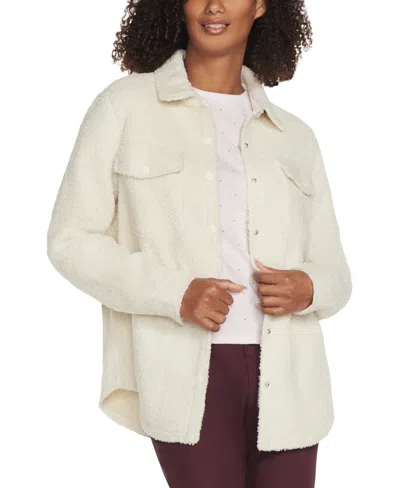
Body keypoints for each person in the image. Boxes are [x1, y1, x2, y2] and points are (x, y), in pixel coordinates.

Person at [47, 1, 352, 487]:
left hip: (291, 377)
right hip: (185, 369)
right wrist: (176, 292)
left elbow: (336, 273)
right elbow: (70, 240)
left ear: (261, 6)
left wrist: (309, 287)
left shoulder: (295, 136)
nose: (214, 5)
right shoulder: (125, 107)